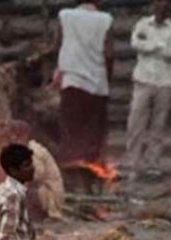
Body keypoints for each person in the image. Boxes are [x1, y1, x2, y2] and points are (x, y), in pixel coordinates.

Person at [121, 0, 171, 179]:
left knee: (158, 124)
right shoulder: (142, 24)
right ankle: (133, 162)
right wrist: (159, 45)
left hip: (164, 82)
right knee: (135, 121)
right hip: (143, 79)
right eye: (158, 5)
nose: (161, 9)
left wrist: (150, 46)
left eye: (164, 6)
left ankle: (153, 163)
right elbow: (135, 44)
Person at [55, 0, 114, 169]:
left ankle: (70, 171)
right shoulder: (105, 20)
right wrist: (107, 78)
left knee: (71, 132)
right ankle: (91, 173)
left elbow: (58, 45)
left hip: (72, 81)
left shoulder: (65, 16)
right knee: (92, 135)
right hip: (97, 84)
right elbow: (109, 54)